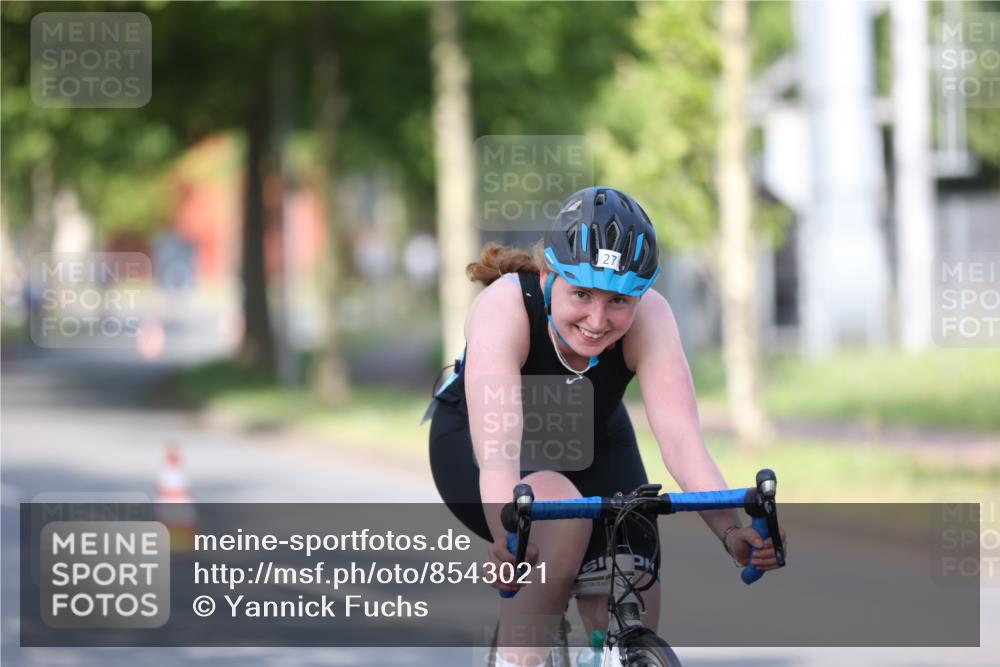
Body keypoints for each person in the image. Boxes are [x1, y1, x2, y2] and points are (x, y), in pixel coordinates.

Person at [428, 186, 785, 667]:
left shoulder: (652, 316)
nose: (598, 321)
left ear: (642, 292)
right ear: (549, 274)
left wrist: (731, 532)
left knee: (634, 558)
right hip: (479, 444)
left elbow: (681, 441)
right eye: (581, 293)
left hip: (593, 435)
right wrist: (508, 543)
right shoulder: (504, 308)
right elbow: (498, 452)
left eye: (619, 300)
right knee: (562, 516)